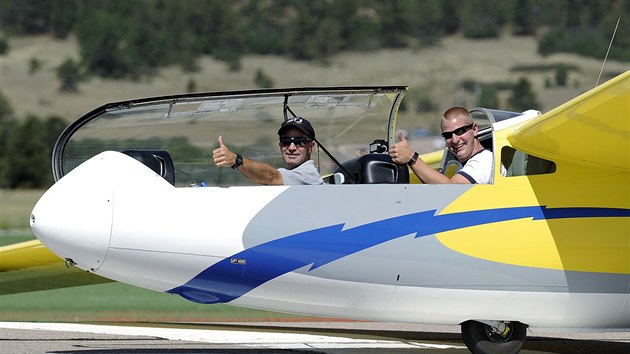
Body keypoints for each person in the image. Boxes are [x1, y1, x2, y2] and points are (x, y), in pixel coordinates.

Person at [389, 107, 494, 184]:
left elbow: (452, 191)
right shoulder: (467, 166)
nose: (455, 140)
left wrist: (411, 158)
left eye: (460, 131)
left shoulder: (484, 160)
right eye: (447, 135)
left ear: (474, 129)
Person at [212, 117, 324, 185]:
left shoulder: (308, 175)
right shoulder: (289, 176)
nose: (292, 147)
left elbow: (271, 176)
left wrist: (236, 160)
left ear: (311, 147)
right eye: (286, 141)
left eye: (300, 142)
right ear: (280, 145)